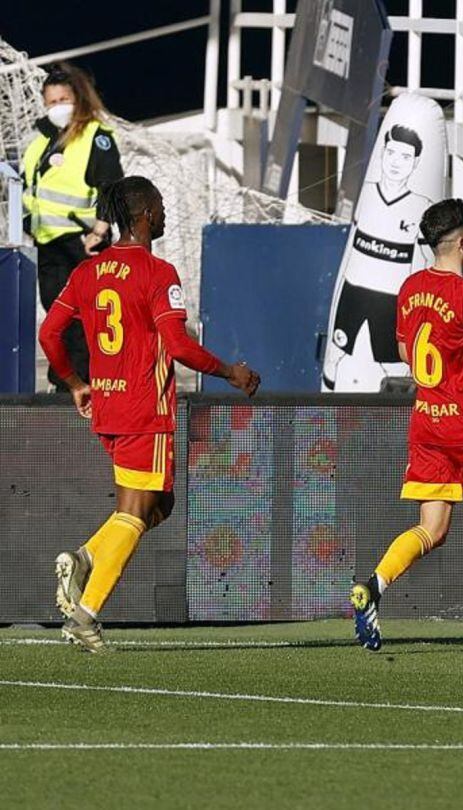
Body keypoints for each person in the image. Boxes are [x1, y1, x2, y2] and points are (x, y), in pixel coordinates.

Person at [39, 176, 260, 653]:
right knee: (138, 513)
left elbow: (49, 334)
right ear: (143, 215)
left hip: (108, 409)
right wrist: (230, 372)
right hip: (145, 410)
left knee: (160, 506)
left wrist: (77, 384)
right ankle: (87, 615)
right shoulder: (159, 273)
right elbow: (177, 345)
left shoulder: (88, 272)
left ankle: (82, 560)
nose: (161, 215)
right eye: (158, 207)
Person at [350, 198, 463, 652]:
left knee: (432, 528)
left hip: (427, 424)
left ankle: (374, 585)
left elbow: (407, 353)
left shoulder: (410, 288)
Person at [22, 63, 123, 389]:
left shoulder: (95, 137)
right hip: (48, 241)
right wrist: (27, 222)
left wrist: (101, 230)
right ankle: (65, 380)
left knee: (82, 315)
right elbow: (29, 189)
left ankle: (83, 383)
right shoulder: (39, 143)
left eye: (63, 99)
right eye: (51, 102)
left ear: (77, 99)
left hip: (82, 241)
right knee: (56, 315)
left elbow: (111, 186)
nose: (57, 107)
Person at [323, 125, 434, 391]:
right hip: (354, 292)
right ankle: (323, 422)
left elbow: (422, 261)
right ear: (382, 152)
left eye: (405, 157)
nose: (396, 162)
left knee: (394, 365)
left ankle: (394, 424)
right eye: (392, 153)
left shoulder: (421, 206)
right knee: (335, 357)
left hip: (392, 300)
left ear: (416, 162)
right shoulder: (368, 194)